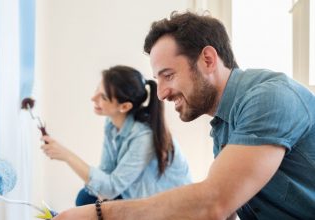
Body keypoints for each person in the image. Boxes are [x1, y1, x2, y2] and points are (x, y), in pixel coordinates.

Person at [52, 11, 315, 220]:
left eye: (168, 75)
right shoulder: (223, 125)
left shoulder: (269, 98)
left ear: (208, 60)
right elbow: (228, 208)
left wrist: (99, 214)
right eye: (158, 79)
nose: (161, 94)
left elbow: (214, 203)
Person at [41, 65, 192, 206]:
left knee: (87, 201)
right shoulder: (111, 124)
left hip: (166, 207)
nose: (93, 98)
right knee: (86, 197)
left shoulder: (144, 138)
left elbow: (111, 188)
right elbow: (106, 171)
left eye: (103, 97)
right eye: (97, 90)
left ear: (124, 106)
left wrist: (67, 156)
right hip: (133, 193)